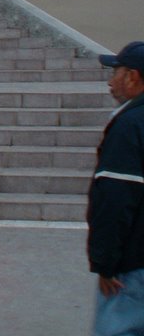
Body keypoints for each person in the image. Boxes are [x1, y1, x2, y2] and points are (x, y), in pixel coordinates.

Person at [88, 41, 144, 336]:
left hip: (131, 268)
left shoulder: (128, 126)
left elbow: (115, 199)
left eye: (116, 73)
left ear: (132, 77)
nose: (111, 82)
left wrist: (105, 264)